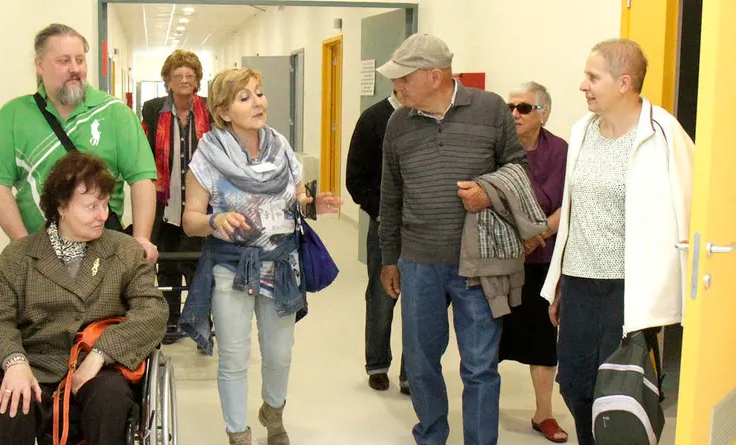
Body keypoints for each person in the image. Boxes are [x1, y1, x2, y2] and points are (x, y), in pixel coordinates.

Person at [377, 33, 528, 445]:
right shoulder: (397, 123)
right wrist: (390, 258)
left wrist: (488, 192)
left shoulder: (491, 108)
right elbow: (390, 196)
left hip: (477, 263)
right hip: (418, 262)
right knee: (422, 363)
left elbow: (518, 168)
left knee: (480, 365)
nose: (398, 87)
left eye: (404, 79)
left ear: (435, 75)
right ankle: (431, 435)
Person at [541, 39, 694, 445]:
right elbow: (574, 211)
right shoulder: (582, 130)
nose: (582, 85)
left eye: (593, 77)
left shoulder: (663, 133)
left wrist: (674, 288)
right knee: (574, 385)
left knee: (620, 393)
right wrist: (559, 281)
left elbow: (691, 208)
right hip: (577, 283)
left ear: (624, 82)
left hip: (627, 290)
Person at [179, 68, 341, 445]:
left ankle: (273, 411)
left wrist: (312, 204)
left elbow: (296, 201)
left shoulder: (280, 146)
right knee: (234, 358)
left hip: (281, 266)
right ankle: (238, 433)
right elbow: (190, 221)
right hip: (230, 267)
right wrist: (215, 219)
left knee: (279, 354)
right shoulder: (209, 153)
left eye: (260, 93)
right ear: (224, 110)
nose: (258, 102)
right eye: (245, 97)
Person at [0, 152, 168, 445]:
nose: (103, 215)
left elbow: (152, 310)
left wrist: (100, 355)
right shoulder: (17, 258)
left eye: (105, 204)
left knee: (111, 399)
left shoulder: (125, 251)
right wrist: (14, 362)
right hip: (34, 366)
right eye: (92, 206)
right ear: (61, 206)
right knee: (13, 406)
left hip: (100, 367)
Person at [0, 23, 159, 262]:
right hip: (40, 256)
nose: (75, 68)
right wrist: (24, 246)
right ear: (40, 65)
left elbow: (141, 178)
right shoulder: (13, 114)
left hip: (104, 255)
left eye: (80, 60)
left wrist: (141, 238)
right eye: (64, 61)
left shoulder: (115, 113)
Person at [499, 82, 568, 443]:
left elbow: (569, 204)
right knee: (487, 336)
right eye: (510, 106)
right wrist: (515, 236)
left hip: (542, 260)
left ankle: (544, 414)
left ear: (544, 113)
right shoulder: (498, 148)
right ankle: (482, 407)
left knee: (543, 339)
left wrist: (538, 234)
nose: (514, 114)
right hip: (499, 259)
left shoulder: (561, 151)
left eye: (523, 108)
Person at [142, 49, 212, 344]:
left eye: (190, 75)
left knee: (199, 268)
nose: (184, 79)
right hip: (166, 204)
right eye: (178, 75)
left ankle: (199, 324)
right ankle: (169, 324)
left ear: (197, 80)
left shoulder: (209, 110)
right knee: (167, 267)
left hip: (202, 206)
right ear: (167, 80)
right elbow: (143, 152)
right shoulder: (153, 109)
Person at [346, 90, 409, 395]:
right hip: (385, 225)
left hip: (423, 229)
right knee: (382, 295)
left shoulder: (430, 116)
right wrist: (381, 212)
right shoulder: (373, 119)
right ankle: (378, 365)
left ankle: (412, 372)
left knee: (420, 300)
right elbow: (355, 178)